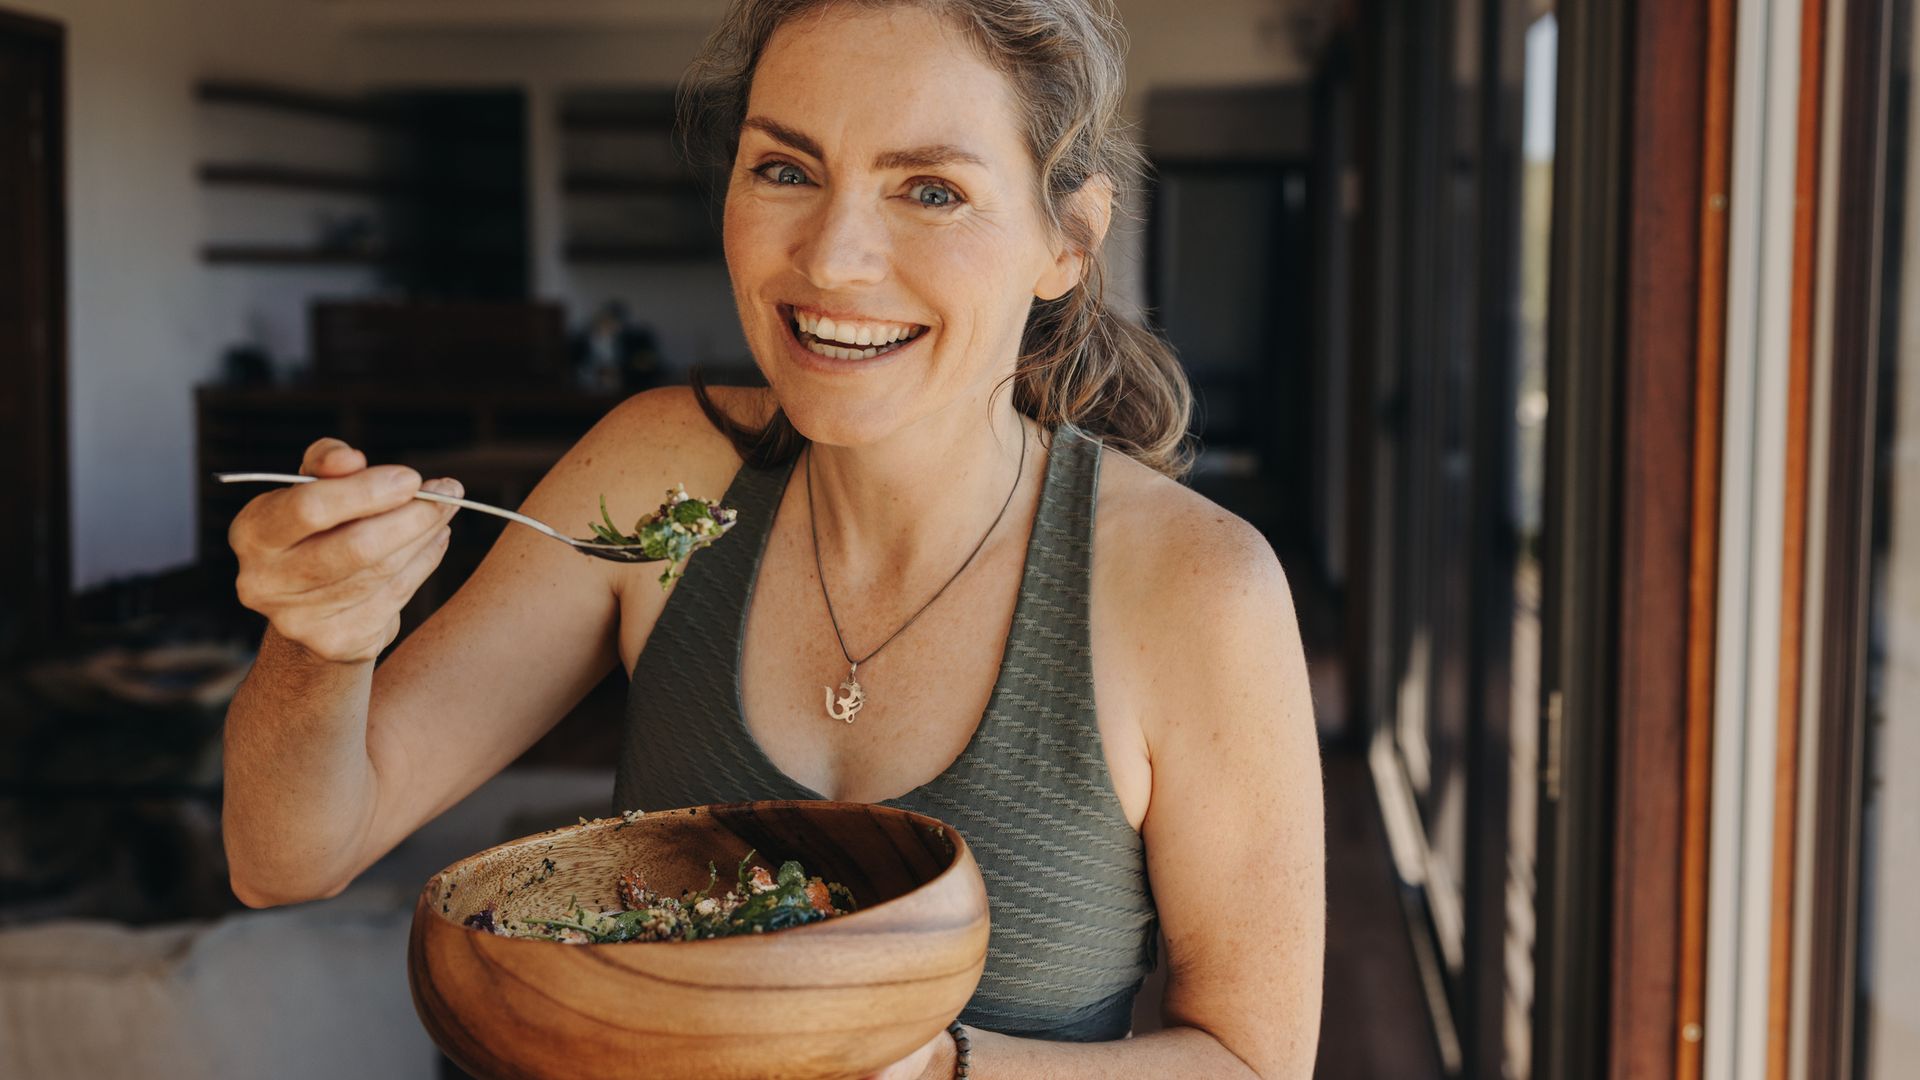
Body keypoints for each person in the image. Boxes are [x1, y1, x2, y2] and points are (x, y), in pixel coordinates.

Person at [220, 0, 1324, 1075]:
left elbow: (1251, 1059)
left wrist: (935, 1070)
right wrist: (324, 642)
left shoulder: (1196, 590)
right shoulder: (659, 472)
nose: (834, 259)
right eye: (785, 169)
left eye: (931, 190)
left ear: (1069, 242)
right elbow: (288, 856)